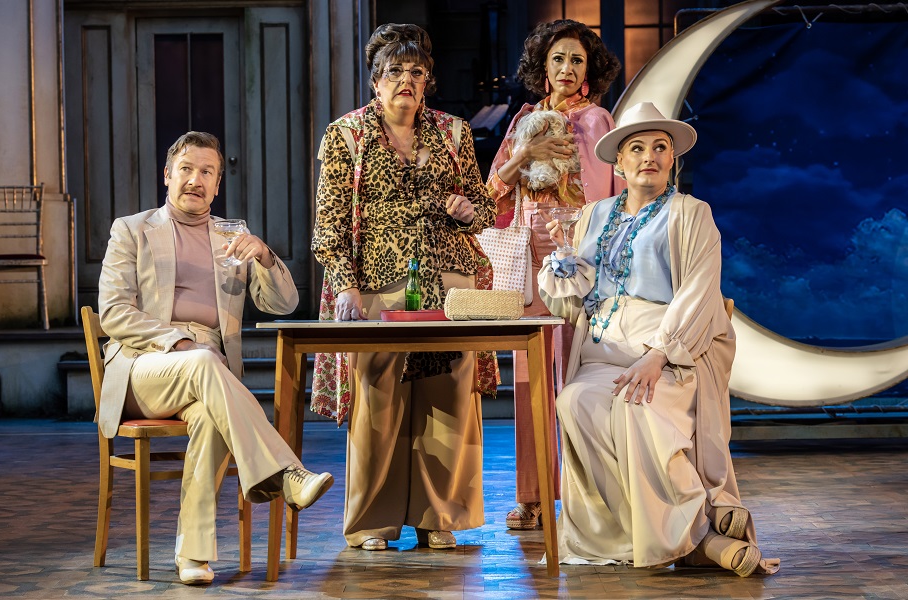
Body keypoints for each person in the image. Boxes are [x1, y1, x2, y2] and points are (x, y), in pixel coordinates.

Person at [538, 102, 779, 576]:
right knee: (574, 403)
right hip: (600, 351)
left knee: (636, 406)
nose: (649, 156)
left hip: (668, 350)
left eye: (660, 147)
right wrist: (562, 265)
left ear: (672, 159)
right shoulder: (592, 215)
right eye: (637, 148)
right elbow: (573, 300)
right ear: (619, 162)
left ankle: (697, 538)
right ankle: (639, 535)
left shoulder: (691, 213)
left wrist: (658, 355)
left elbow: (700, 291)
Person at [98, 131, 333, 585]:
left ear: (218, 184)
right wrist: (179, 343)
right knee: (206, 362)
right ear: (167, 175)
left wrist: (264, 256)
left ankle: (193, 555)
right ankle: (286, 472)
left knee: (210, 415)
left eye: (207, 172)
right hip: (144, 366)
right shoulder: (132, 229)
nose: (196, 179)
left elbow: (283, 304)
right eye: (186, 169)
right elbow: (113, 312)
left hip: (207, 375)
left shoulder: (232, 236)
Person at [311, 23, 496, 552]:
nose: (406, 81)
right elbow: (328, 223)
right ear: (376, 81)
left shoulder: (453, 132)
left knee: (447, 398)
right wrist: (345, 284)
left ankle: (439, 517)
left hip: (448, 281)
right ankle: (372, 521)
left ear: (428, 81)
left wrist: (469, 210)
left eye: (416, 72)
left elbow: (484, 207)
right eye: (395, 72)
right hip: (379, 282)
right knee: (380, 399)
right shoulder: (347, 135)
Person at [486, 19, 625, 530]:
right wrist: (525, 154)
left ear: (589, 72)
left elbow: (611, 196)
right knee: (529, 385)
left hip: (580, 261)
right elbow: (491, 190)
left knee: (579, 379)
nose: (567, 68)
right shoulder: (523, 119)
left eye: (577, 60)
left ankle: (588, 499)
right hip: (528, 262)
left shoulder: (597, 119)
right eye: (558, 58)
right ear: (543, 67)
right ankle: (534, 496)